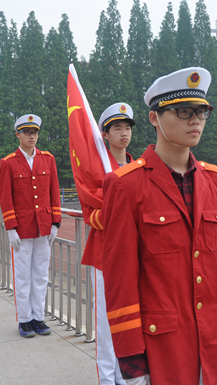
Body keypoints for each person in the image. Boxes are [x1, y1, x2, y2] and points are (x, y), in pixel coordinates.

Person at [101, 67, 217, 384]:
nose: (195, 120)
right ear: (154, 117)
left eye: (202, 112)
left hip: (214, 342)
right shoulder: (125, 186)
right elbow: (119, 279)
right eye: (183, 111)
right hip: (161, 347)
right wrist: (132, 362)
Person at [80, 103, 135, 385]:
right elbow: (91, 215)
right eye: (117, 128)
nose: (124, 133)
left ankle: (128, 377)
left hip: (135, 257)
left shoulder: (140, 168)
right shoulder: (97, 169)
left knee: (131, 323)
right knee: (106, 323)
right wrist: (120, 215)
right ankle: (107, 378)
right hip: (105, 255)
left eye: (127, 127)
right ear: (105, 134)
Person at [0, 114, 61, 338]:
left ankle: (38, 317)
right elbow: (5, 197)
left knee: (41, 274)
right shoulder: (9, 162)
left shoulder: (48, 159)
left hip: (43, 227)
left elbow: (54, 192)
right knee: (23, 275)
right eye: (27, 132)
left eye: (34, 132)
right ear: (18, 134)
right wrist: (10, 228)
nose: (31, 136)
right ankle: (24, 319)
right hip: (22, 229)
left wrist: (55, 222)